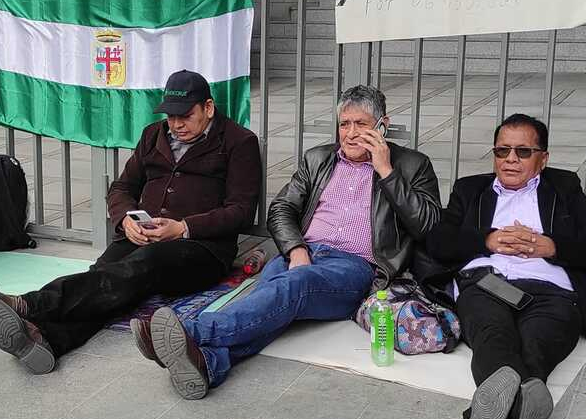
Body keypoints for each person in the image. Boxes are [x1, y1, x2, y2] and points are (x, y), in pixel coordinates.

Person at [135, 85, 441, 399]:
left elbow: (428, 226)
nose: (350, 133)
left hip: (354, 267)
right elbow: (281, 208)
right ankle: (210, 362)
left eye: (361, 124)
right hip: (302, 252)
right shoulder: (319, 158)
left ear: (382, 126)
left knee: (290, 287)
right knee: (276, 302)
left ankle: (192, 331)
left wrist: (386, 171)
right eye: (344, 124)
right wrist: (296, 249)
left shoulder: (413, 166)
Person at [0, 70, 262, 374]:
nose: (176, 125)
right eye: (170, 116)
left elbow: (241, 211)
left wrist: (182, 227)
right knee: (108, 278)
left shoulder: (238, 142)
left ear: (208, 108)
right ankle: (47, 340)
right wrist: (126, 219)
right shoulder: (153, 134)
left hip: (200, 248)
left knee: (138, 267)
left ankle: (30, 305)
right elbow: (122, 188)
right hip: (142, 235)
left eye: (185, 116)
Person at [426, 114, 586, 419]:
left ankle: (493, 410)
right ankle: (526, 399)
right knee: (492, 334)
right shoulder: (470, 189)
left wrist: (551, 246)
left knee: (538, 340)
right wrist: (488, 240)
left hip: (551, 290)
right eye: (502, 151)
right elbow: (438, 242)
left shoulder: (564, 189)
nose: (511, 159)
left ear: (543, 158)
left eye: (523, 152)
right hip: (486, 284)